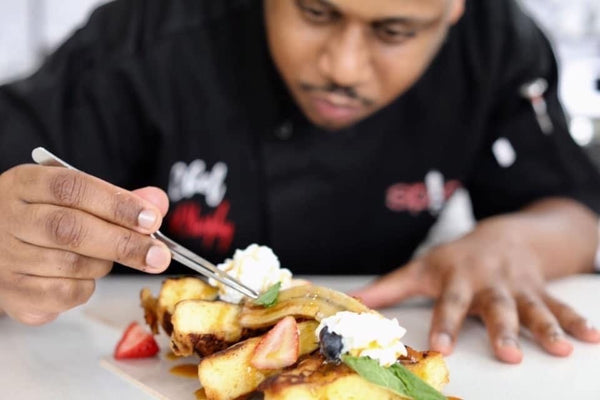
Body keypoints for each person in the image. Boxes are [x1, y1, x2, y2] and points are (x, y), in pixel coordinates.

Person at [0, 0, 599, 364]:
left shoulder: (495, 45)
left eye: (393, 32)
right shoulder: (146, 34)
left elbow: (575, 210)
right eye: (316, 12)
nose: (341, 67)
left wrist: (514, 243)